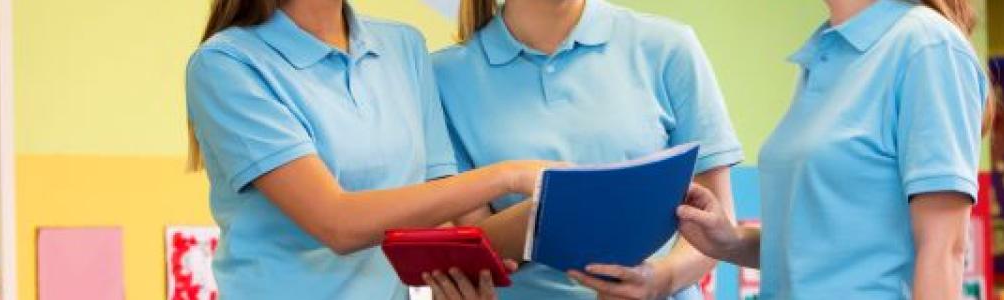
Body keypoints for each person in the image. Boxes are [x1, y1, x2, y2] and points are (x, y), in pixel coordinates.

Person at [184, 0, 554, 298]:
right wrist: (510, 176)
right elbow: (337, 224)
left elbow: (452, 225)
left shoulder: (403, 48)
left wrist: (568, 200)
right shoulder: (227, 64)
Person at [421, 0, 744, 299]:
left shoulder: (668, 46)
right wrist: (570, 206)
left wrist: (662, 278)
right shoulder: (441, 76)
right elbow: (475, 245)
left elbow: (714, 227)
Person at [674, 0, 990, 298]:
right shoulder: (826, 54)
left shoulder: (928, 46)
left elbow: (945, 249)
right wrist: (730, 241)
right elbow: (823, 253)